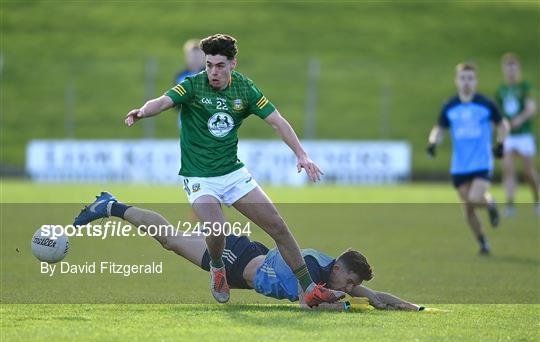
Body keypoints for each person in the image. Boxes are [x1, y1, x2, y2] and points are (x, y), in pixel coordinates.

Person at [82, 34, 344, 307]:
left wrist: (302, 154)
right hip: (198, 176)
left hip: (232, 173)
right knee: (217, 229)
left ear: (233, 64)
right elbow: (162, 101)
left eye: (219, 65)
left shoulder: (245, 89)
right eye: (209, 65)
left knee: (277, 225)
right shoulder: (193, 85)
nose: (213, 72)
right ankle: (218, 269)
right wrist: (143, 112)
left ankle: (309, 288)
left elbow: (277, 121)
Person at [73, 193, 425, 311]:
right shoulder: (313, 266)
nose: (350, 288)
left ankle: (112, 206)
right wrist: (345, 305)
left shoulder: (332, 276)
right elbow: (312, 304)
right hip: (236, 259)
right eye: (349, 281)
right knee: (170, 240)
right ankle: (111, 206)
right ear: (338, 268)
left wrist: (411, 307)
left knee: (173, 236)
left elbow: (376, 297)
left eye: (351, 285)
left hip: (249, 259)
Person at [426, 63, 508, 255]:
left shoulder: (486, 104)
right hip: (460, 165)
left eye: (470, 78)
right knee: (468, 209)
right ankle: (483, 243)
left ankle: (490, 204)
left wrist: (501, 142)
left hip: (481, 162)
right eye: (463, 78)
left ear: (476, 81)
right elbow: (439, 128)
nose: (466, 82)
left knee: (475, 197)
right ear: (456, 80)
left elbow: (502, 124)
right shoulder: (450, 106)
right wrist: (432, 143)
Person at [495, 53, 539, 217]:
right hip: (509, 136)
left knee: (528, 172)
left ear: (518, 68)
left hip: (524, 135)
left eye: (513, 67)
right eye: (508, 67)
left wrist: (519, 119)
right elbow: (498, 113)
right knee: (508, 169)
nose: (511, 71)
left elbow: (531, 108)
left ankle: (536, 199)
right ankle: (510, 204)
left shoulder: (524, 87)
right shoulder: (502, 90)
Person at [174, 39, 206, 129]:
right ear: (187, 57)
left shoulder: (210, 75)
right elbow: (174, 99)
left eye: (198, 56)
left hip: (205, 117)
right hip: (186, 117)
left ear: (204, 56)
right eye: (192, 56)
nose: (195, 59)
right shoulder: (181, 76)